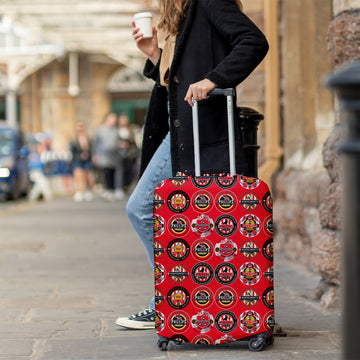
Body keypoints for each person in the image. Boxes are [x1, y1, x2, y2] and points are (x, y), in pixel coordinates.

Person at [115, 0, 268, 329]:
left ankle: (173, 298)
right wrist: (153, 54)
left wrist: (213, 80)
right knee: (185, 219)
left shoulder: (208, 2)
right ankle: (179, 299)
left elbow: (253, 41)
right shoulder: (177, 17)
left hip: (199, 133)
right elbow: (174, 84)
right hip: (181, 132)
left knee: (143, 209)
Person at [92, 112, 120, 202]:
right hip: (103, 155)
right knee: (106, 172)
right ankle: (108, 190)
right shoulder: (100, 130)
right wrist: (94, 155)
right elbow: (95, 144)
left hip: (114, 156)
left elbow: (117, 142)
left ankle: (112, 190)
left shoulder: (115, 130)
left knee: (112, 173)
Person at [69, 122, 95, 202]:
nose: (80, 128)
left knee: (88, 176)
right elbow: (72, 151)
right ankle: (79, 192)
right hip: (77, 159)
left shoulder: (88, 138)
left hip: (87, 159)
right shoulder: (74, 139)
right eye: (78, 127)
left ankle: (88, 190)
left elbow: (91, 148)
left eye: (81, 126)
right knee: (78, 175)